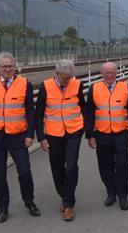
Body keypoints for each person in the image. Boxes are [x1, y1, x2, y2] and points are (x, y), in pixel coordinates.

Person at [0, 51, 40, 223]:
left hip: (18, 136)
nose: (7, 69)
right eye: (4, 66)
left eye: (10, 66)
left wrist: (30, 134)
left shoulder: (24, 84)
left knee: (25, 171)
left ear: (15, 67)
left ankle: (29, 201)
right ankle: (3, 207)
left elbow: (30, 111)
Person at [35, 59, 87, 221]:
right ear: (56, 74)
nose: (68, 80)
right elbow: (38, 113)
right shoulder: (45, 86)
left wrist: (86, 128)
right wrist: (41, 137)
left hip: (74, 131)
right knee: (57, 168)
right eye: (65, 77)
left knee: (71, 166)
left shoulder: (77, 84)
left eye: (70, 77)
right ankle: (64, 195)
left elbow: (83, 106)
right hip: (53, 133)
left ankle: (68, 203)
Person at [86, 62, 128, 211]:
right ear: (102, 73)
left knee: (122, 165)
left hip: (121, 134)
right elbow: (89, 113)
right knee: (104, 165)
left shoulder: (126, 88)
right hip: (102, 134)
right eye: (106, 72)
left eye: (112, 72)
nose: (109, 75)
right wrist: (90, 135)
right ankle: (111, 192)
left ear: (117, 73)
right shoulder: (94, 89)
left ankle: (123, 195)